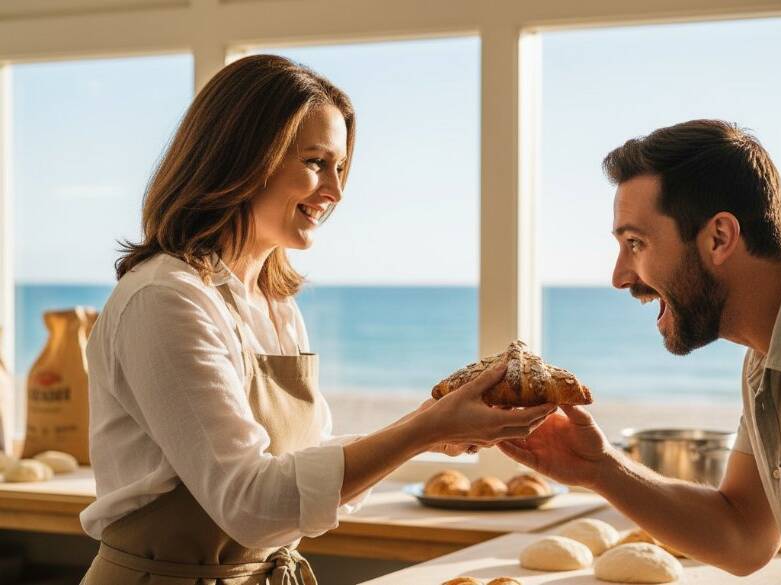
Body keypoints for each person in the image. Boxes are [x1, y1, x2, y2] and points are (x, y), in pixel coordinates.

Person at [79, 55, 555, 585]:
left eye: (341, 168)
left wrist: (422, 430)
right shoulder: (164, 299)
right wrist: (422, 431)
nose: (335, 191)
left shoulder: (274, 305)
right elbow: (250, 504)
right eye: (314, 162)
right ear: (240, 157)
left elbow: (298, 472)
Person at [498, 120, 781, 585]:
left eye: (636, 243)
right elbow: (742, 535)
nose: (620, 276)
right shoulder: (771, 352)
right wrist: (599, 469)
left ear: (720, 237)